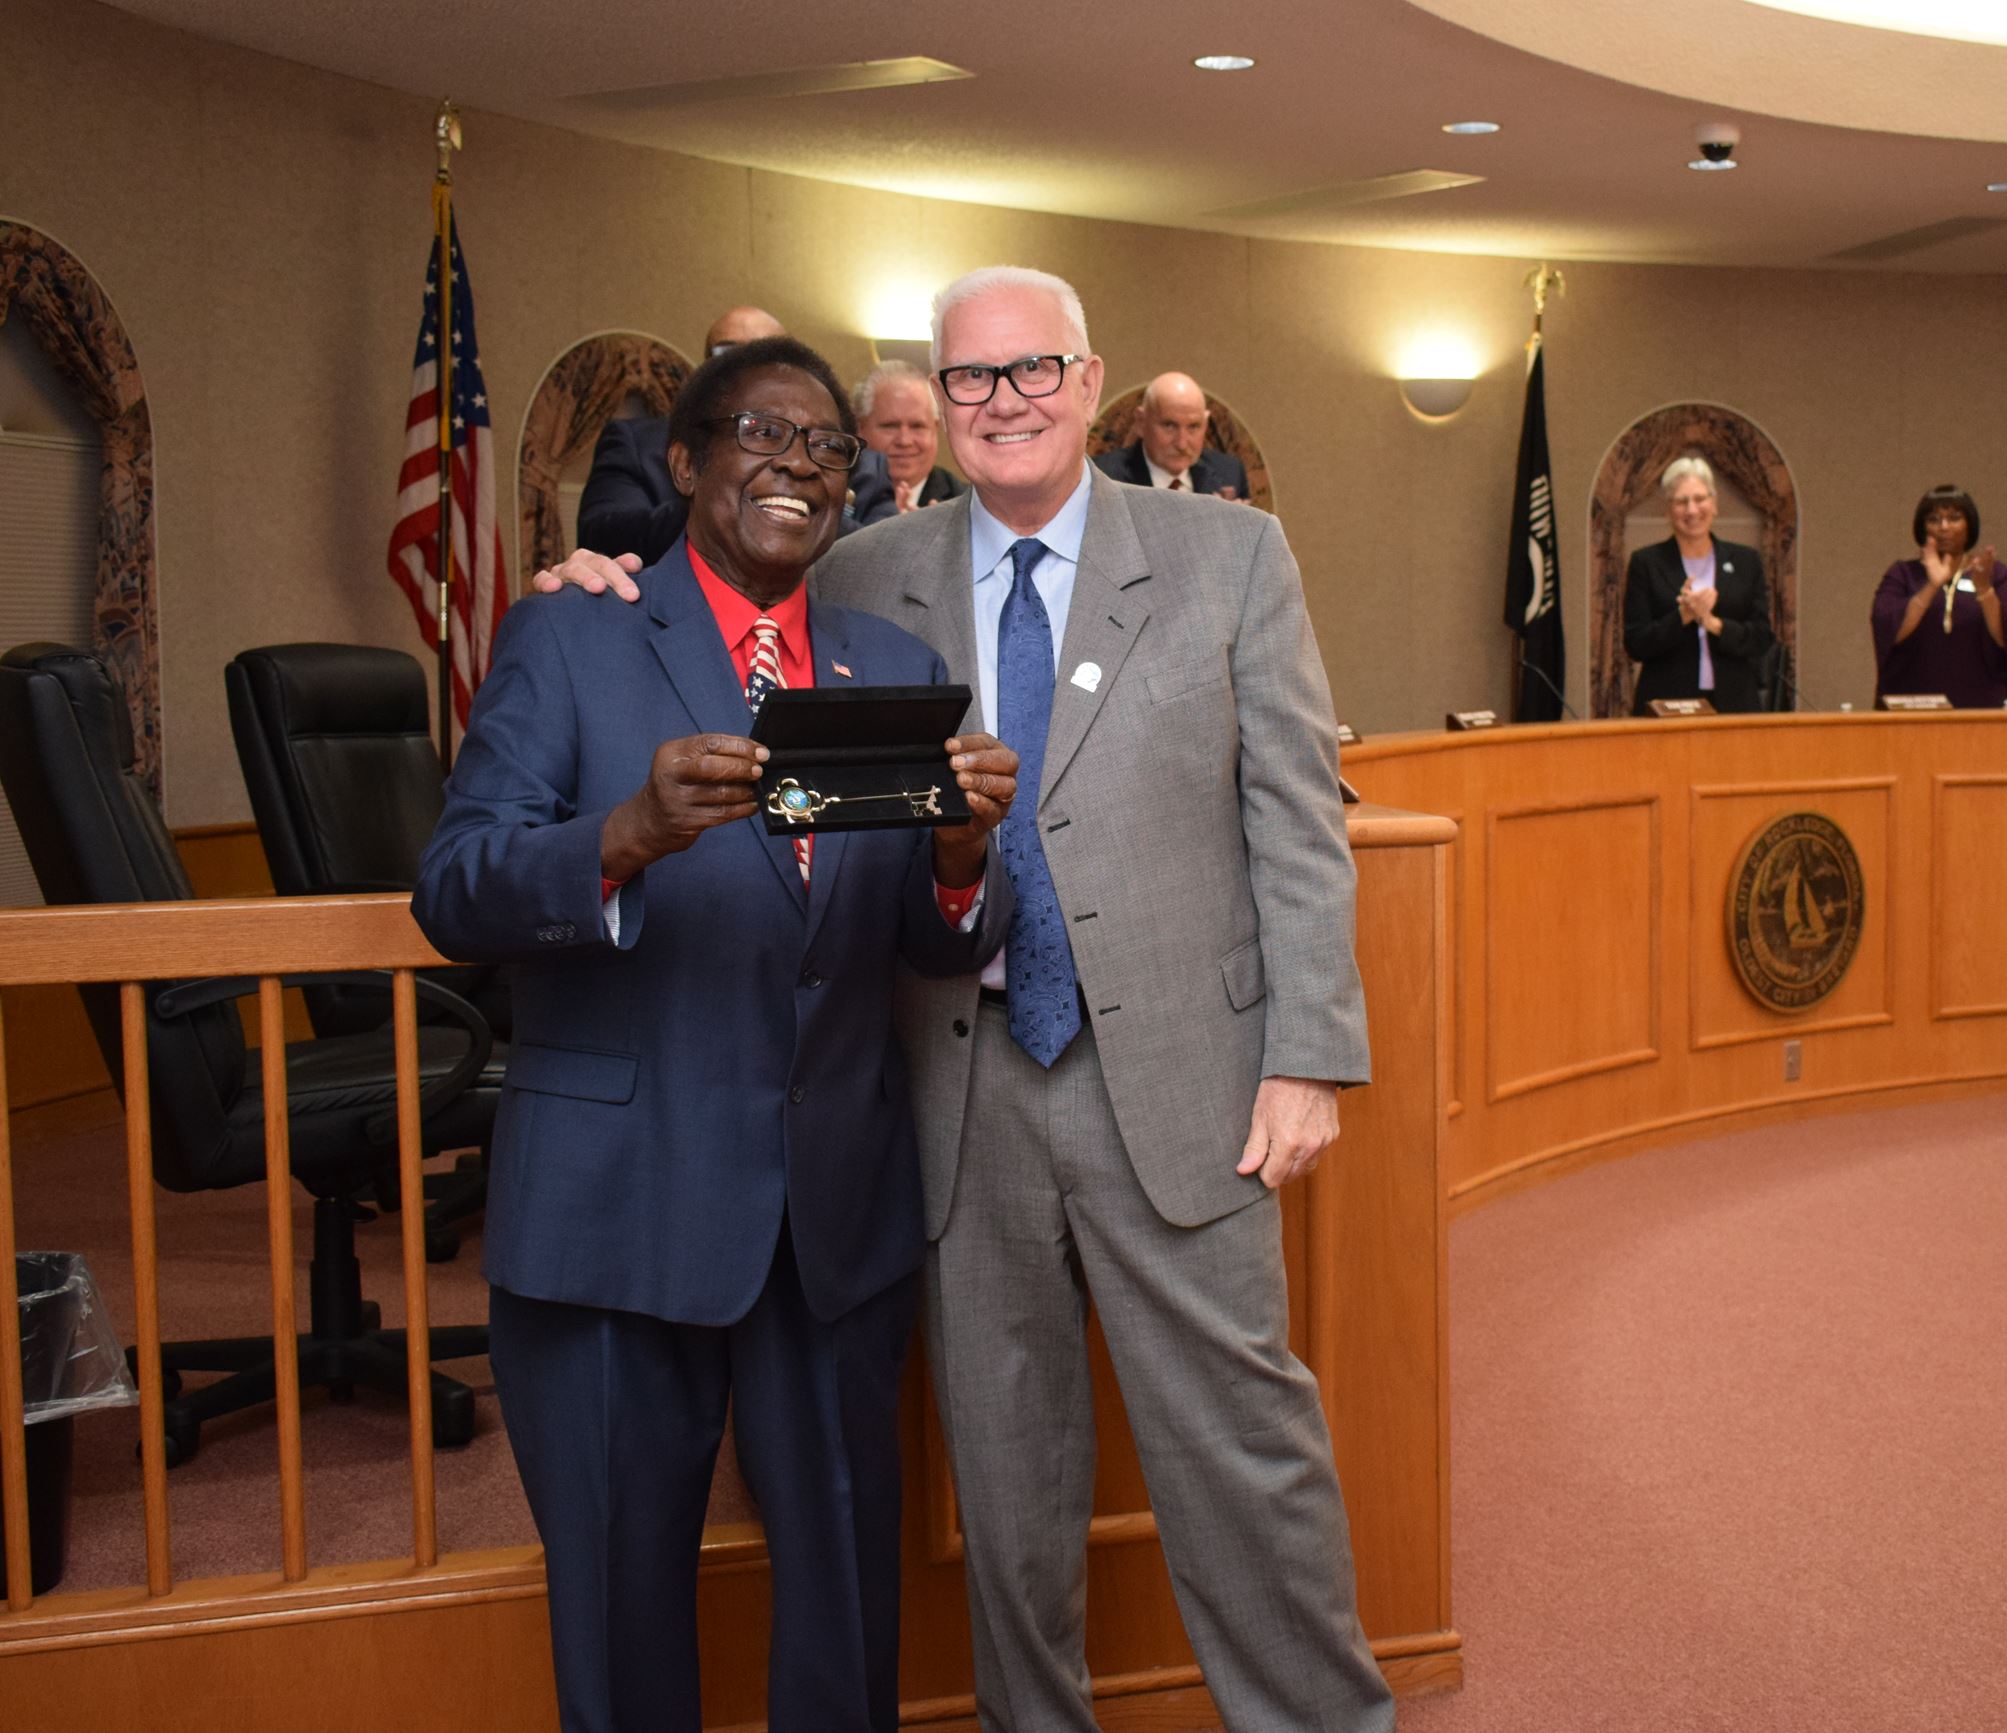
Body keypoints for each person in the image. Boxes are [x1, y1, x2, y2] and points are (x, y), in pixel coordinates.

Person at [531, 267, 1392, 1732]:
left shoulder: (1229, 554)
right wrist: (592, 573)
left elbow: (1296, 820)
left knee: (1246, 1455)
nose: (1006, 403)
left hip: (1186, 1085)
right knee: (1007, 1475)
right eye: (972, 380)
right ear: (935, 403)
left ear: (1089, 374)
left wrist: (1309, 1051)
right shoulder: (867, 573)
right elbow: (708, 599)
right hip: (954, 1086)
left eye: (1035, 370)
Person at [416, 334, 1018, 1733]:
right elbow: (452, 890)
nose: (797, 467)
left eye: (826, 450)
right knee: (624, 1618)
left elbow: (930, 944)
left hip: (833, 1224)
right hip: (618, 1214)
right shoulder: (572, 633)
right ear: (685, 464)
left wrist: (956, 861)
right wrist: (619, 836)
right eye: (761, 434)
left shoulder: (889, 669)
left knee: (847, 1607)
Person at [575, 306, 893, 559]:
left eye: (769, 356)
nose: (750, 369)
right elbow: (603, 535)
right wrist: (718, 497)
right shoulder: (640, 444)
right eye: (728, 355)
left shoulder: (847, 456)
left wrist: (790, 510)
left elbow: (885, 555)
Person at [1621, 454, 1771, 712]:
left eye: (1700, 499)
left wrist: (1713, 624)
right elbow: (1635, 643)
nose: (1692, 510)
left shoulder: (1746, 562)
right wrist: (1683, 615)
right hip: (1668, 703)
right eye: (1681, 501)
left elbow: (1761, 637)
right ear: (1668, 510)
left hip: (1735, 703)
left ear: (1714, 504)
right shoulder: (1646, 563)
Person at [1870, 483, 2007, 708]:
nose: (1943, 527)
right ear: (1922, 527)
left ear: (1969, 525)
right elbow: (1888, 628)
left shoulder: (1995, 574)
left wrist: (1984, 590)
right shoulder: (1903, 574)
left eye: (1954, 518)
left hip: (1980, 706)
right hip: (1911, 706)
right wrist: (1932, 586)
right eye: (1933, 519)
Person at [1091, 368, 1249, 498]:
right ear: (1140, 422)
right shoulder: (1103, 477)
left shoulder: (1229, 473)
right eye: (1169, 426)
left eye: (1193, 427)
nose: (1182, 443)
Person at [848, 357, 961, 521]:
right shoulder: (835, 500)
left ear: (935, 428)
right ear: (859, 429)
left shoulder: (967, 506)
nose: (904, 441)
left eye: (917, 426)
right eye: (890, 426)